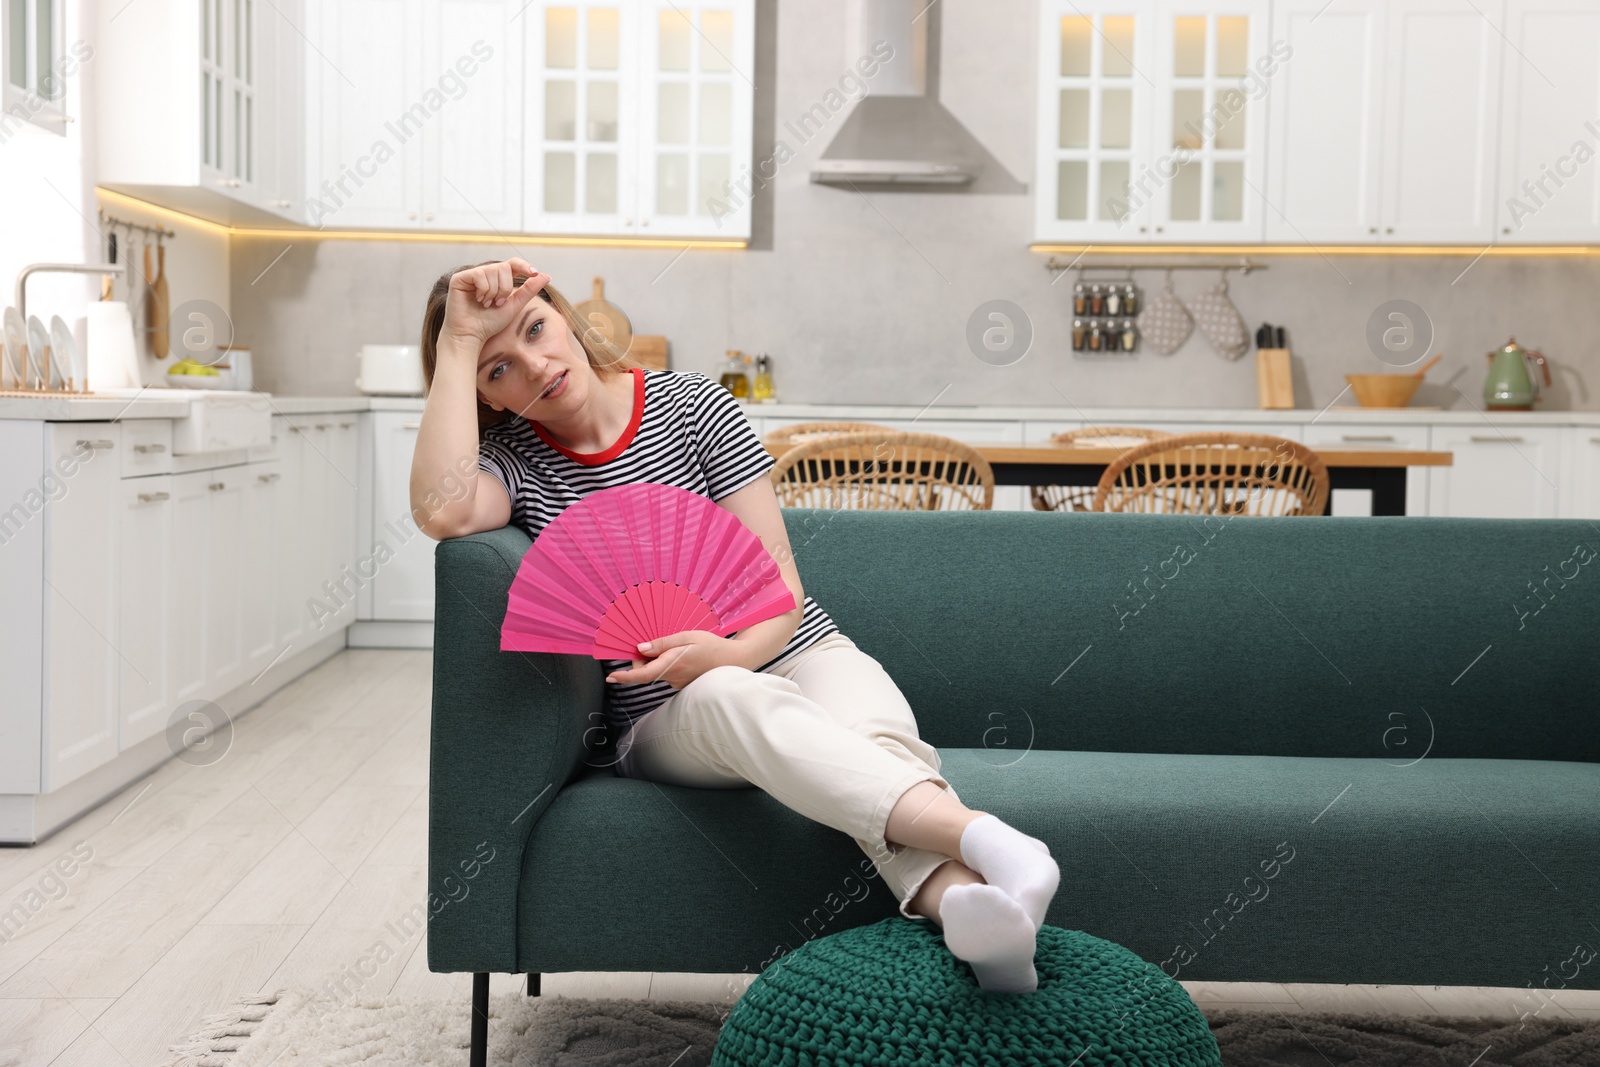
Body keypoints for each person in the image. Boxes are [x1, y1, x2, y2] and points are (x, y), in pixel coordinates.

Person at [411, 257, 1060, 992]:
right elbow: (444, 511)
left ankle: (978, 916)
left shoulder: (696, 406)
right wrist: (458, 339)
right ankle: (992, 838)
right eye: (497, 370)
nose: (534, 365)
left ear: (563, 315)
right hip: (667, 715)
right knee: (730, 695)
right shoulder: (513, 463)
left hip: (793, 646)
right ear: (482, 396)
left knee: (869, 738)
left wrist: (726, 649)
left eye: (535, 329)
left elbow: (783, 588)